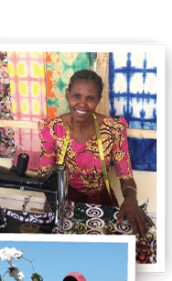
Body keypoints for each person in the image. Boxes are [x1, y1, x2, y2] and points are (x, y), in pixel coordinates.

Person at [37, 69, 153, 237]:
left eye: (90, 98)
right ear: (68, 94)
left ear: (98, 100)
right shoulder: (52, 129)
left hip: (102, 202)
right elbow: (45, 174)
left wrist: (131, 200)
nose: (82, 104)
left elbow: (125, 175)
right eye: (77, 96)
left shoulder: (113, 129)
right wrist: (51, 196)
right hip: (63, 202)